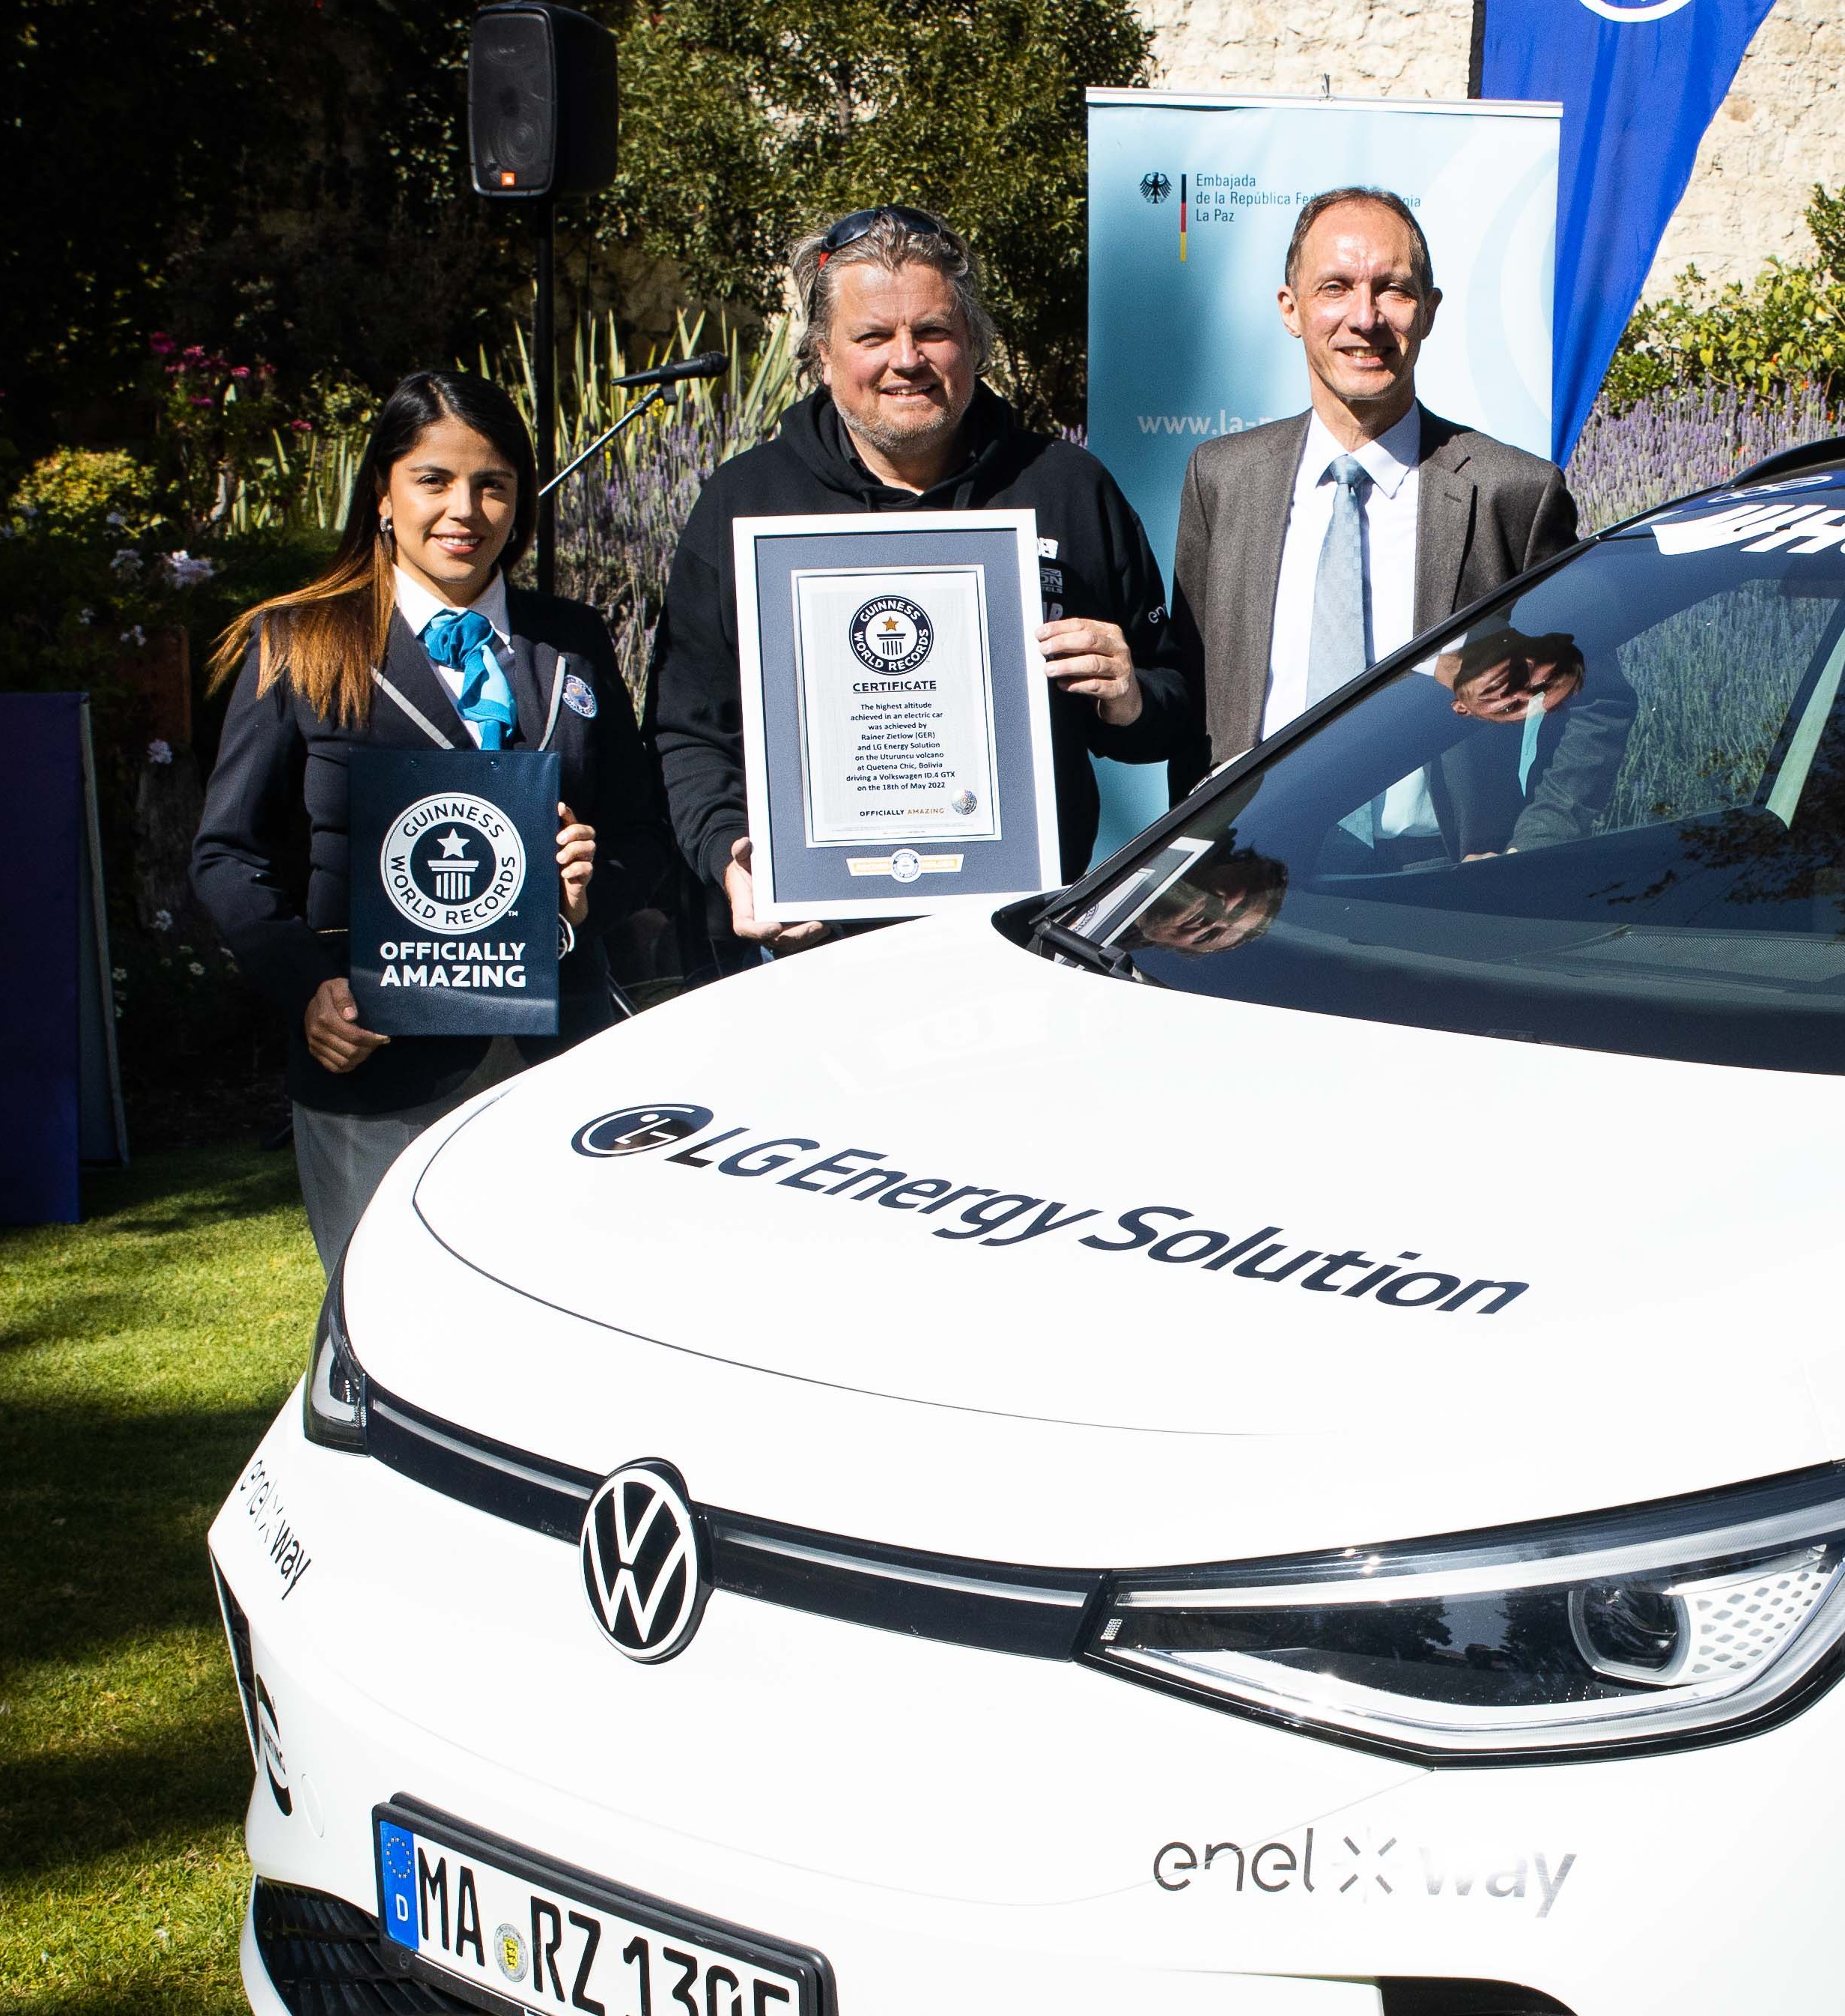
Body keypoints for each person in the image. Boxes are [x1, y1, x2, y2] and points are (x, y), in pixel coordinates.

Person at [195, 369, 668, 1287]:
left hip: (558, 1063)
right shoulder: (301, 640)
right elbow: (227, 855)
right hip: (375, 1063)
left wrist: (590, 886)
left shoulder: (570, 640)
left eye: (493, 483)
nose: (466, 509)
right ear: (382, 491)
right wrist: (309, 988)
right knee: (394, 1321)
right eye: (434, 480)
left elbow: (645, 832)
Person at [643, 204, 1197, 947]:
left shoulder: (1067, 486)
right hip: (814, 943)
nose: (907, 358)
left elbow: (1169, 706)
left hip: (1017, 938)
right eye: (873, 335)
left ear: (973, 343)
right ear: (821, 354)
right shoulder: (745, 503)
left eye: (932, 331)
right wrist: (730, 854)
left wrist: (1128, 696)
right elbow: (688, 730)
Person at [1173, 186, 1582, 774]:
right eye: (1335, 288)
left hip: (1439, 860)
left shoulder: (1512, 493)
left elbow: (1592, 698)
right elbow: (1191, 693)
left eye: (1393, 289)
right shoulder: (1222, 479)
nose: (1365, 318)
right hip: (1251, 855)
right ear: (1291, 309)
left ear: (1431, 310)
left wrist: (1526, 843)